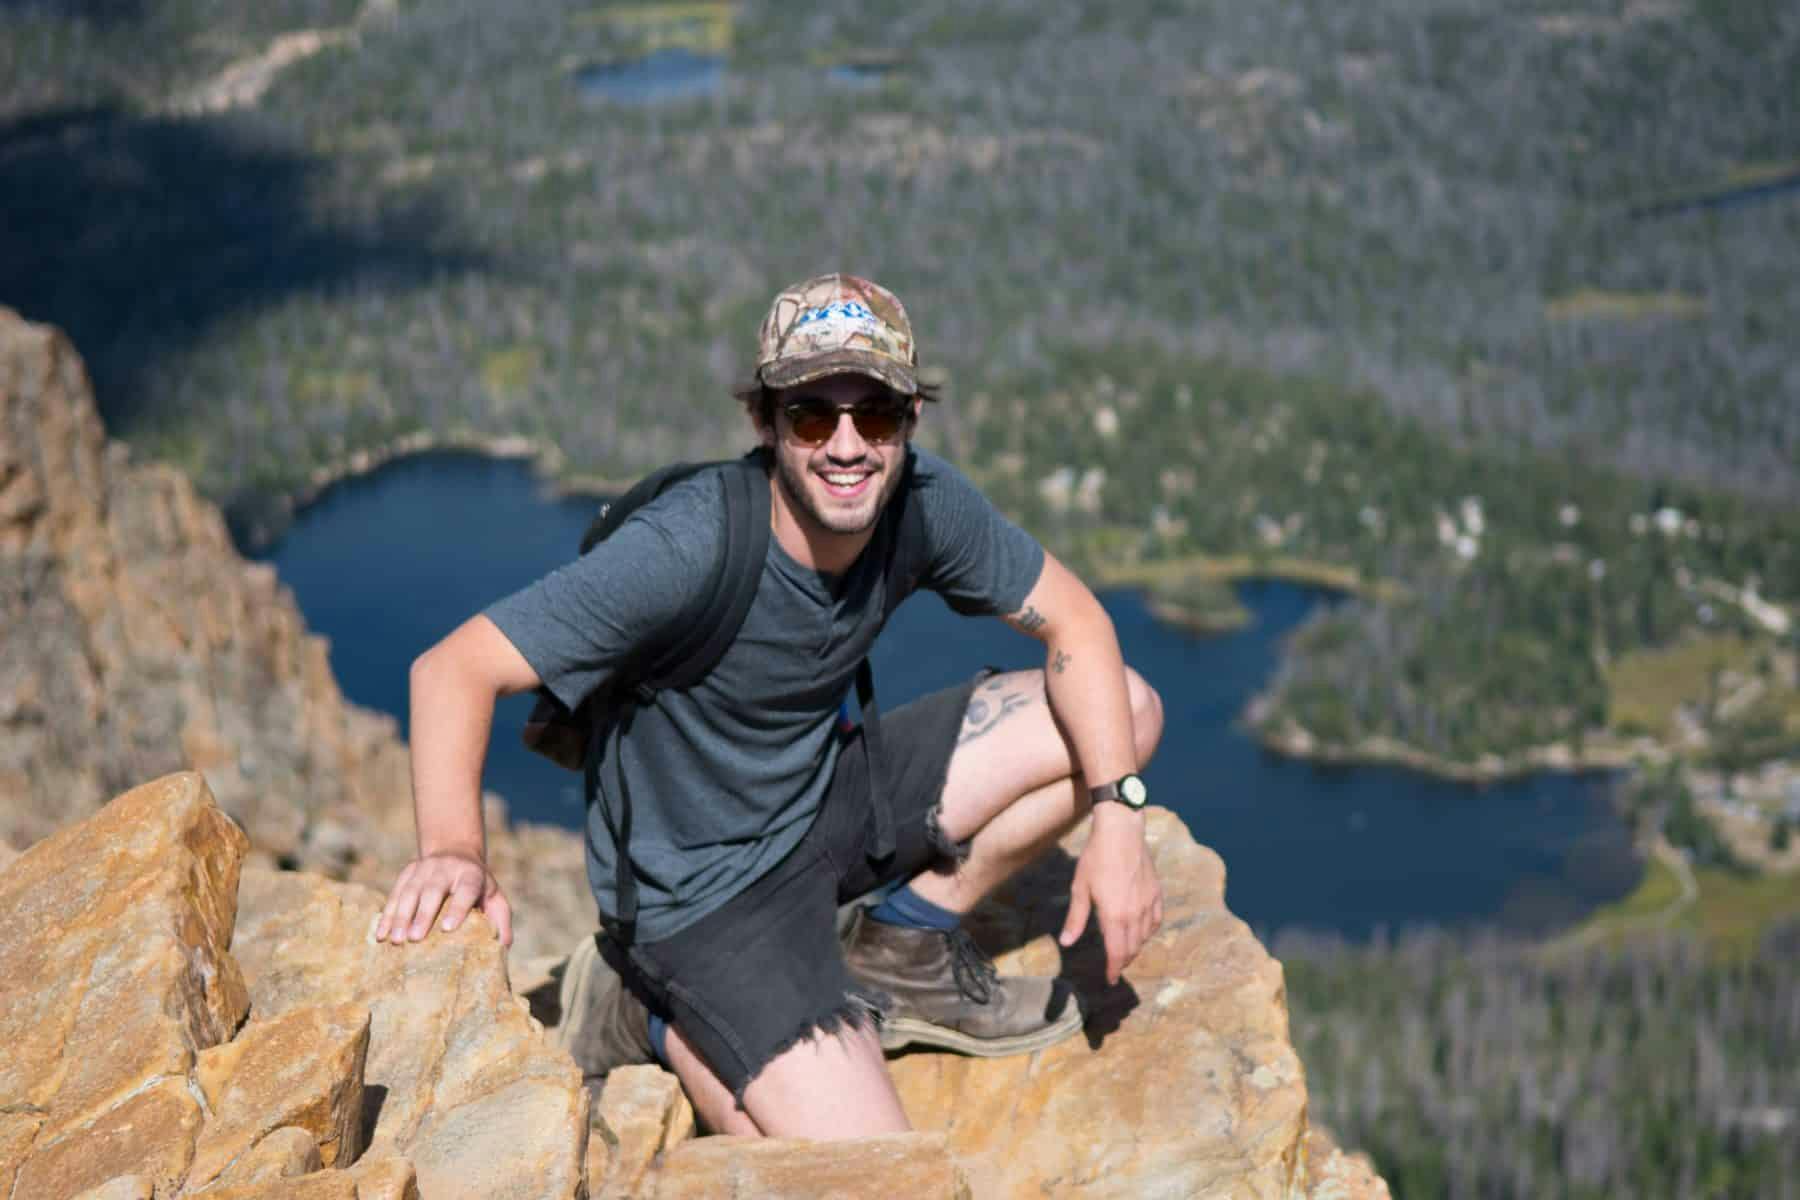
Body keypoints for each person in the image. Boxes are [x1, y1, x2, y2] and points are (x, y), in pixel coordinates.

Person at [374, 274, 1164, 1139]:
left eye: (878, 414)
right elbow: (452, 670)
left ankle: (905, 943)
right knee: (878, 1179)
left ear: (911, 422)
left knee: (1127, 711)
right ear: (766, 423)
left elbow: (1077, 621)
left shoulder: (923, 506)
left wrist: (1119, 819)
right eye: (813, 415)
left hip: (825, 801)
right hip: (703, 904)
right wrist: (453, 851)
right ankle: (649, 1011)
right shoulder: (686, 547)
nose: (848, 445)